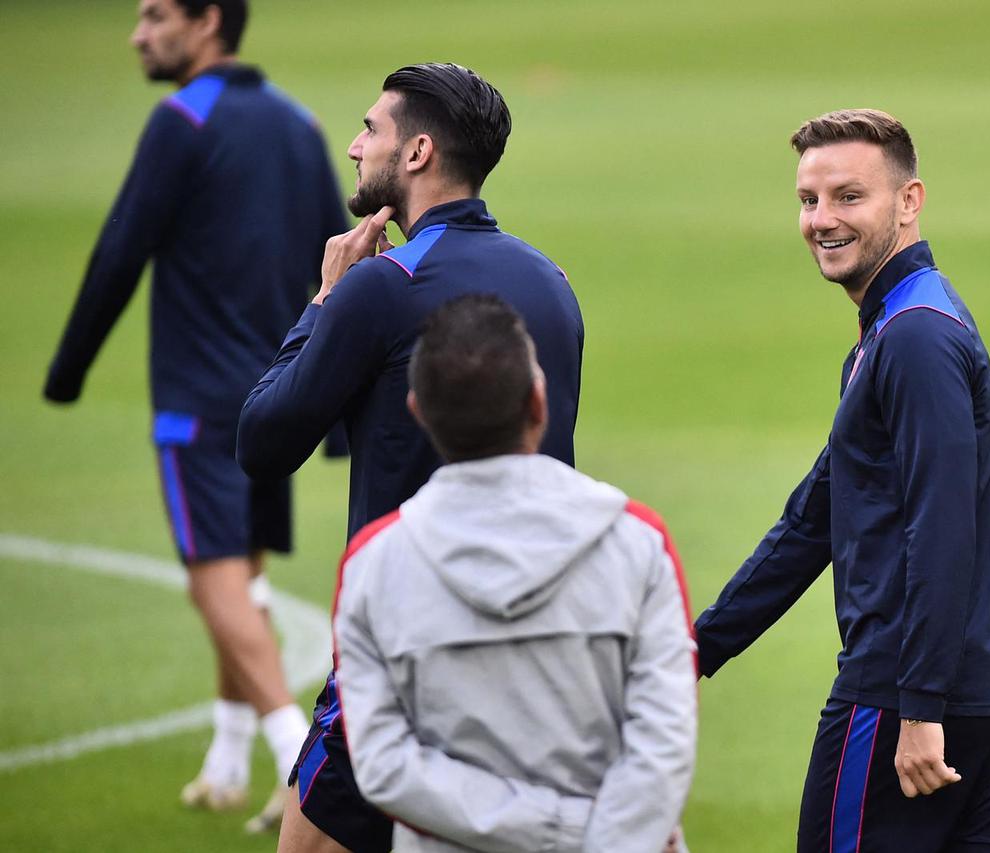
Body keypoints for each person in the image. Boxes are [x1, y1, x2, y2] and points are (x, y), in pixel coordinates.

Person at [237, 63, 585, 853]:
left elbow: (262, 442)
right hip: (532, 654)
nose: (355, 147)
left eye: (371, 130)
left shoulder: (382, 283)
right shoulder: (554, 284)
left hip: (402, 651)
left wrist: (324, 299)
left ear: (419, 152)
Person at [694, 109, 990, 852]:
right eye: (807, 200)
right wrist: (696, 651)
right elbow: (812, 521)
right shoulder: (902, 325)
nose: (821, 220)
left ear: (909, 201)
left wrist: (919, 706)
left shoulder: (915, 336)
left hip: (908, 700)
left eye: (848, 197)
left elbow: (943, 521)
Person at [42, 0, 347, 832]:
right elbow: (342, 248)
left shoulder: (180, 120)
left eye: (154, 15)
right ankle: (222, 761)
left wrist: (67, 370)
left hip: (197, 401)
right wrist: (336, 406)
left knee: (213, 579)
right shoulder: (296, 121)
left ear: (209, 20)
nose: (138, 33)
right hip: (277, 395)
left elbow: (119, 249)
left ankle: (295, 759)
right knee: (242, 574)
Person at [330, 294, 698, 853]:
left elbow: (383, 767)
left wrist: (548, 828)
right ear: (538, 402)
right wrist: (584, 837)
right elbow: (663, 745)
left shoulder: (373, 566)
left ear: (418, 412)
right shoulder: (636, 541)